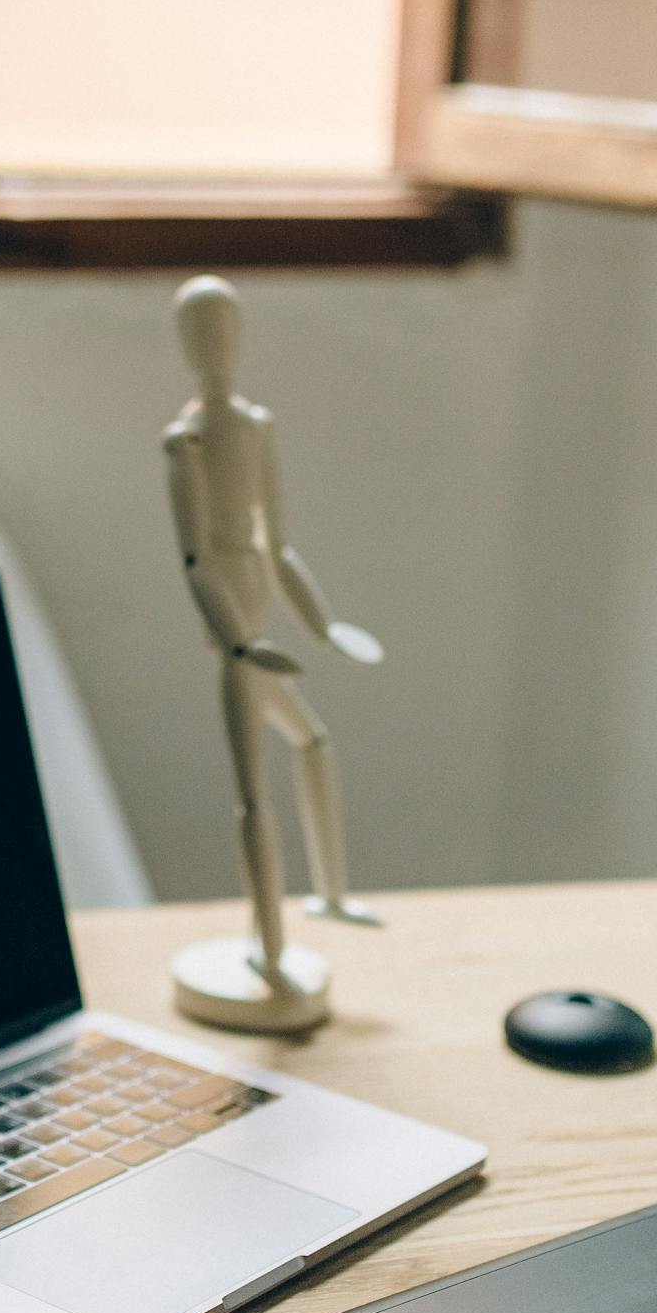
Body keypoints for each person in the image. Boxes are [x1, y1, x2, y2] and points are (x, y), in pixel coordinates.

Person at [163, 274, 384, 1001]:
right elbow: (194, 560)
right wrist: (238, 644)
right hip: (236, 643)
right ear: (186, 345)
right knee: (254, 797)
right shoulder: (185, 441)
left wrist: (323, 627)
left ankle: (329, 895)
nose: (216, 347)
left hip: (262, 617)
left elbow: (280, 544)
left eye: (225, 330)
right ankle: (272, 948)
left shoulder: (255, 426)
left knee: (315, 745)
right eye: (202, 333)